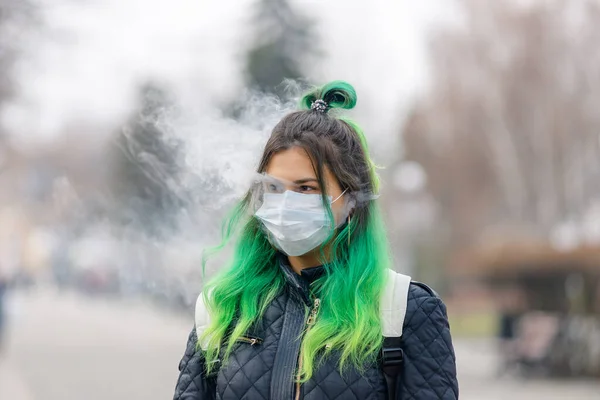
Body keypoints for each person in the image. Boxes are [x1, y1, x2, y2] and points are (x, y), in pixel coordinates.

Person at [173, 81, 458, 399]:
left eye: (307, 188)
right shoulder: (224, 305)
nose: (286, 204)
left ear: (352, 200)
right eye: (274, 188)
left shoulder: (405, 310)